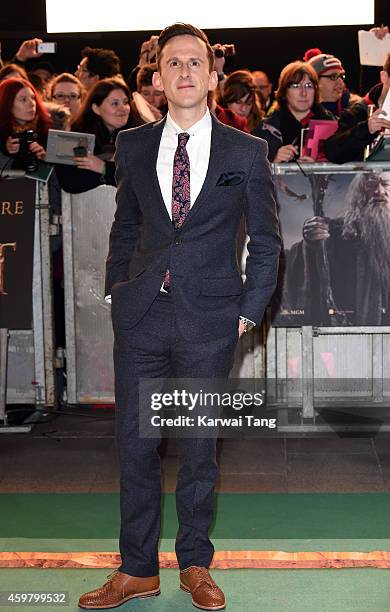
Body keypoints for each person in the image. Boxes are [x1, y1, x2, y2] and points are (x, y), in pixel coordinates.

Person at [78, 21, 281, 611]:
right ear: (160, 77)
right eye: (174, 64)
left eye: (196, 63)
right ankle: (137, 569)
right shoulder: (134, 146)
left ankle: (196, 563)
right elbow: (126, 227)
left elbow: (267, 243)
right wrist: (119, 289)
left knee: (198, 451)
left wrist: (247, 314)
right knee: (135, 449)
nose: (185, 72)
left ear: (212, 76)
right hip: (142, 315)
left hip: (211, 320)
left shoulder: (247, 151)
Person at [283, 172, 390, 325]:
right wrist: (311, 242)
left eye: (386, 184)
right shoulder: (338, 230)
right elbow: (314, 260)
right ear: (360, 192)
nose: (379, 191)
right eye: (371, 184)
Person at [56, 77, 142, 194]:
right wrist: (113, 170)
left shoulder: (140, 135)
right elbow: (70, 182)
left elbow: (141, 177)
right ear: (96, 108)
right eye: (115, 103)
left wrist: (103, 167)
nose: (123, 108)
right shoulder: (77, 137)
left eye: (126, 102)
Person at [255, 61, 334, 162]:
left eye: (308, 86)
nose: (303, 93)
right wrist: (273, 162)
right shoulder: (265, 129)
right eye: (296, 86)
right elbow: (252, 173)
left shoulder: (334, 127)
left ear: (316, 90)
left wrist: (319, 168)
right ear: (284, 92)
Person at [325, 53, 390, 163]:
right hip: (367, 179)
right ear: (384, 77)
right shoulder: (360, 110)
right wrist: (367, 129)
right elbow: (333, 152)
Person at [0, 77, 51, 169]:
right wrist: (4, 149)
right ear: (8, 104)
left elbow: (56, 179)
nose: (32, 103)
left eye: (33, 98)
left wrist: (45, 158)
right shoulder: (4, 136)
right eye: (23, 100)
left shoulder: (48, 131)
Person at [304, 49, 356, 117]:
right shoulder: (299, 110)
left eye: (341, 76)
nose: (341, 82)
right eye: (333, 76)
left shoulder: (355, 108)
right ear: (314, 81)